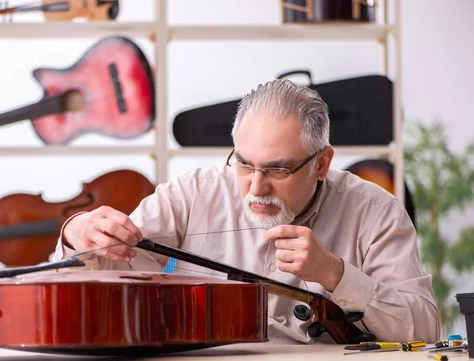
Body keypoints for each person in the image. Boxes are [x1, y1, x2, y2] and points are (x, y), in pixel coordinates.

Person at [52, 78, 441, 345]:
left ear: (322, 164)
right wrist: (76, 234)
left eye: (278, 169)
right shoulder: (192, 193)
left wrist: (336, 275)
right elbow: (103, 273)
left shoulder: (376, 210)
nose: (256, 187)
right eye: (243, 163)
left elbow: (423, 327)